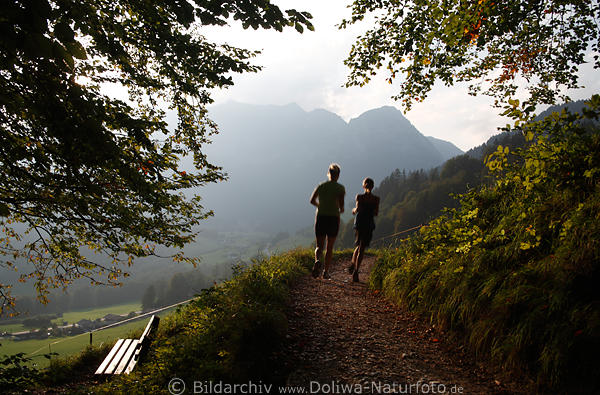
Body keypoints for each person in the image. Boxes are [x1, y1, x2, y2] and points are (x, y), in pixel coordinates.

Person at [310, 163, 345, 279]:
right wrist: (339, 209)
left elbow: (312, 200)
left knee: (319, 246)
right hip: (333, 218)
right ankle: (325, 272)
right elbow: (341, 207)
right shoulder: (340, 188)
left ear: (329, 173)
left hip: (321, 217)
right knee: (330, 247)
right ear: (338, 175)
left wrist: (320, 205)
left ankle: (317, 260)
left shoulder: (321, 186)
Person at [350, 177, 380, 282]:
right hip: (369, 224)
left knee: (358, 245)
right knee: (362, 248)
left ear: (363, 186)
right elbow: (376, 213)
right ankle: (356, 270)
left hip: (359, 223)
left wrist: (353, 211)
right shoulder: (376, 199)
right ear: (372, 187)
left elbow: (357, 210)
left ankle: (353, 263)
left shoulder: (359, 197)